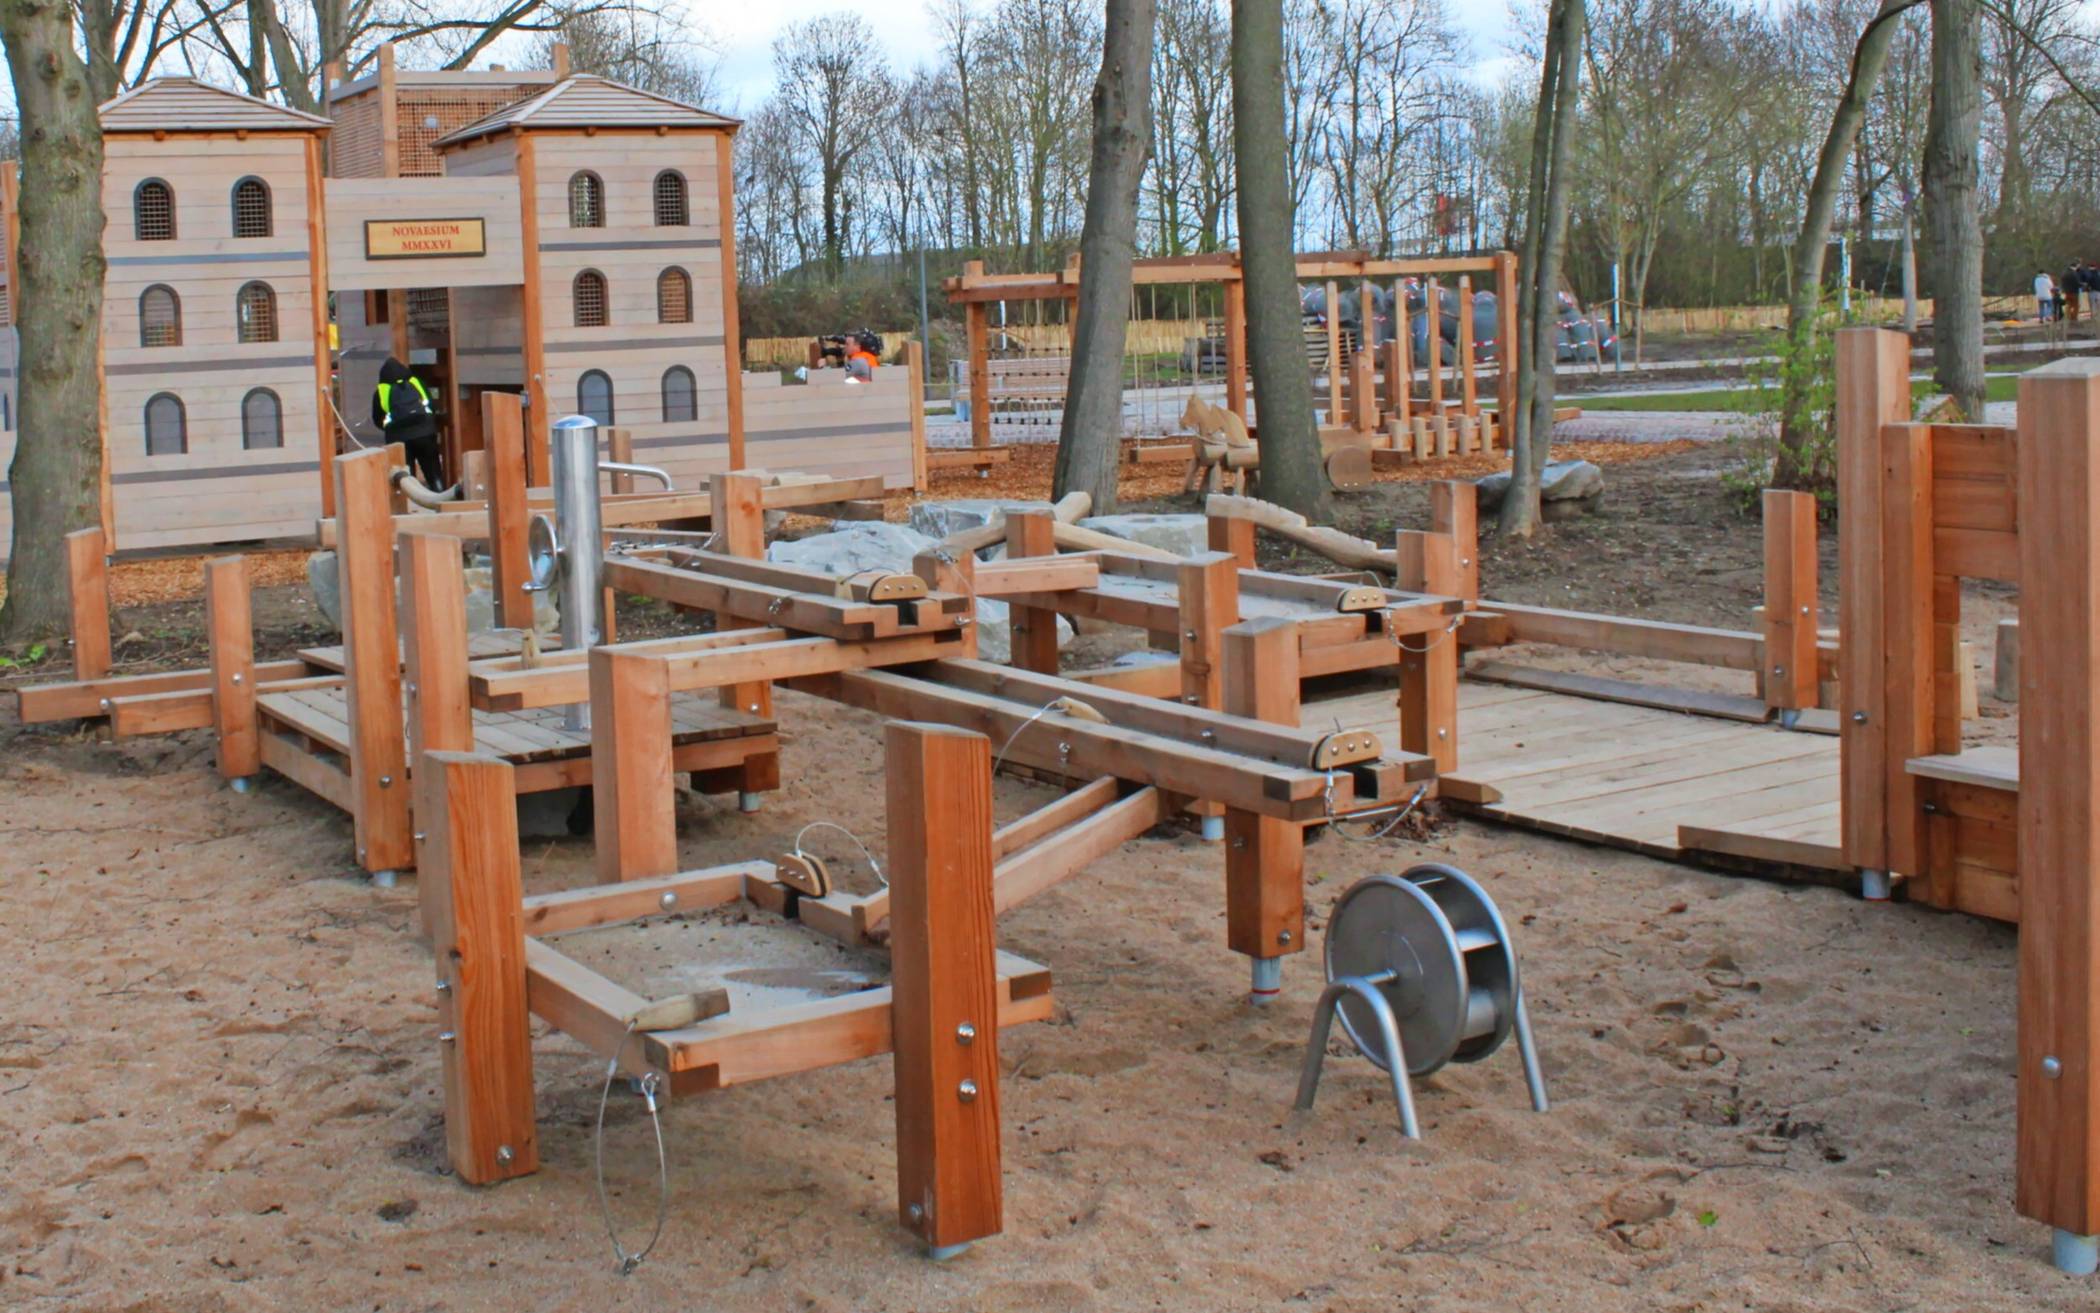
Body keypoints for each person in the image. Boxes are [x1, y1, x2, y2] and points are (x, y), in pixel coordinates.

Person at [371, 356, 442, 487]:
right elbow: (431, 405)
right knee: (433, 471)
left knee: (406, 478)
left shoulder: (381, 392)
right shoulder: (417, 383)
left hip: (398, 439)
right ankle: (440, 492)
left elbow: (377, 419)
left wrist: (391, 429)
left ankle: (410, 498)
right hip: (425, 433)